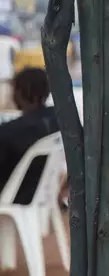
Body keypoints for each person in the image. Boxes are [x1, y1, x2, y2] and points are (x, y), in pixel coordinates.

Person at [0, 68, 59, 205]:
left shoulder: (10, 132)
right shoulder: (59, 120)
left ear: (19, 92)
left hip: (14, 196)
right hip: (44, 194)